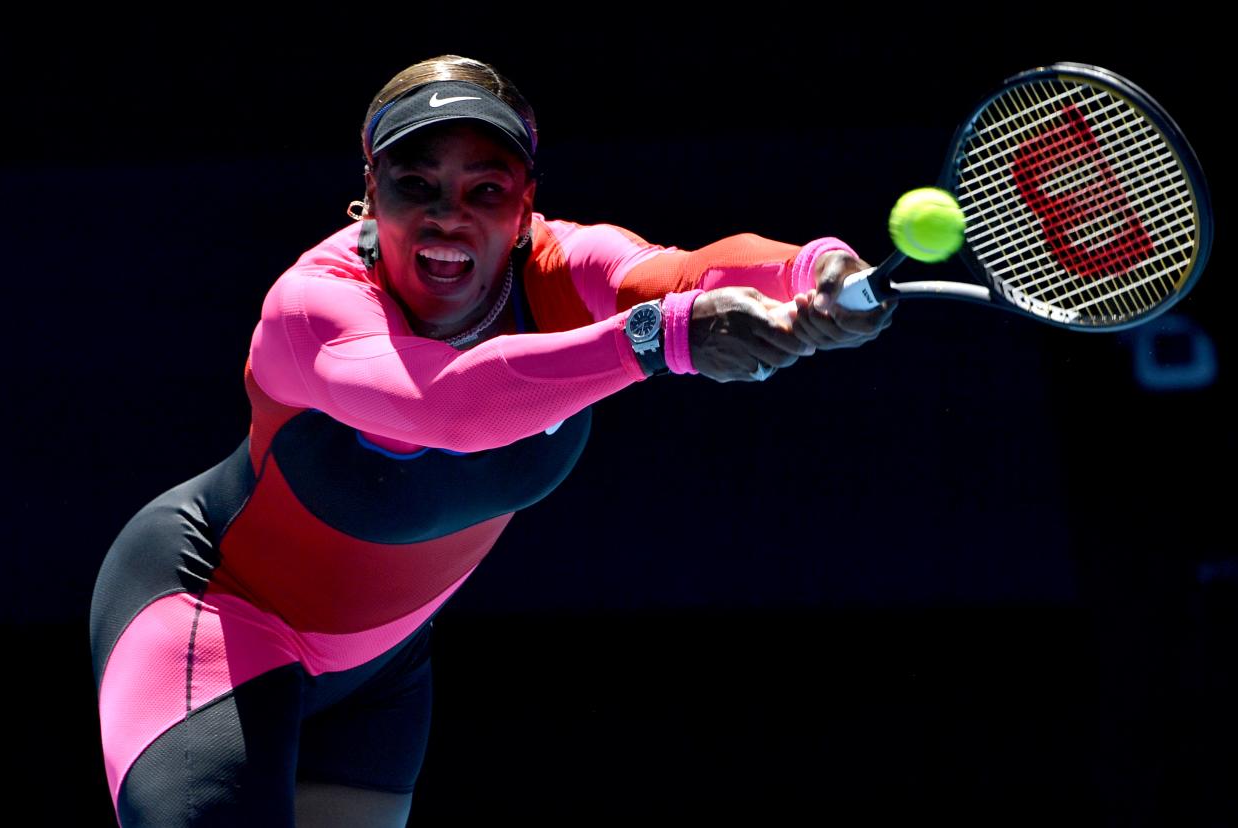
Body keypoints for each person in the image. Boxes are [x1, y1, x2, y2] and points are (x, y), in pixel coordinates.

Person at [89, 54, 896, 827]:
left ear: (524, 207)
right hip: (217, 616)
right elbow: (440, 407)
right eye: (416, 185)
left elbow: (689, 274)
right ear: (369, 193)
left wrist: (813, 270)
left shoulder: (561, 269)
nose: (449, 215)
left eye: (486, 189)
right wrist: (656, 342)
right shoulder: (313, 305)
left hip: (386, 667)